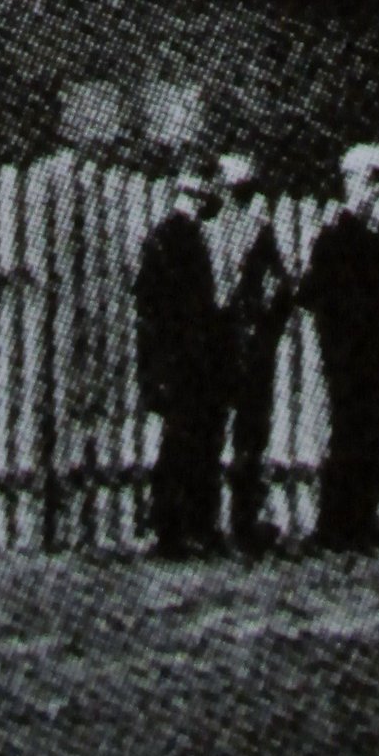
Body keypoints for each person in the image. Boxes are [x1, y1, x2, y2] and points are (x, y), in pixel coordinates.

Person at [299, 140, 379, 548]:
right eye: (370, 180)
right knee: (348, 432)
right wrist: (344, 336)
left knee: (375, 435)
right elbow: (315, 294)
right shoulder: (334, 237)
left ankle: (364, 519)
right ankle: (336, 524)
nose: (377, 190)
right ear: (350, 184)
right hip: (348, 354)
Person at [134, 158, 230, 556]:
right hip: (182, 363)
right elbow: (163, 310)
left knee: (193, 443)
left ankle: (189, 527)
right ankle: (176, 530)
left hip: (188, 361)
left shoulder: (178, 237)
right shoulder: (175, 240)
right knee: (184, 445)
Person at [211, 150, 297, 550]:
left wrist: (266, 323)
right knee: (212, 432)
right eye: (231, 190)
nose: (234, 197)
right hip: (218, 342)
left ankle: (244, 522)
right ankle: (207, 522)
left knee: (249, 435)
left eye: (241, 191)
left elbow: (282, 286)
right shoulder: (206, 230)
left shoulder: (259, 231)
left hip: (246, 342)